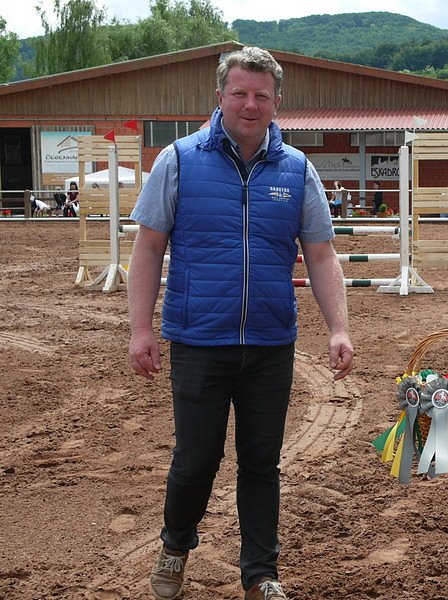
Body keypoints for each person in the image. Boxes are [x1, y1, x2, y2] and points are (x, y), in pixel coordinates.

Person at [126, 46, 354, 600]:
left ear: (277, 102)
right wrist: (140, 329)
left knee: (260, 463)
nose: (250, 105)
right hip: (199, 340)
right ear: (220, 96)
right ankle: (176, 545)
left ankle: (260, 574)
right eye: (240, 93)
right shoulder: (178, 161)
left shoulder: (297, 170)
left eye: (262, 96)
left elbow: (321, 255)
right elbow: (149, 247)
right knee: (195, 459)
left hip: (271, 343)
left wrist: (338, 327)